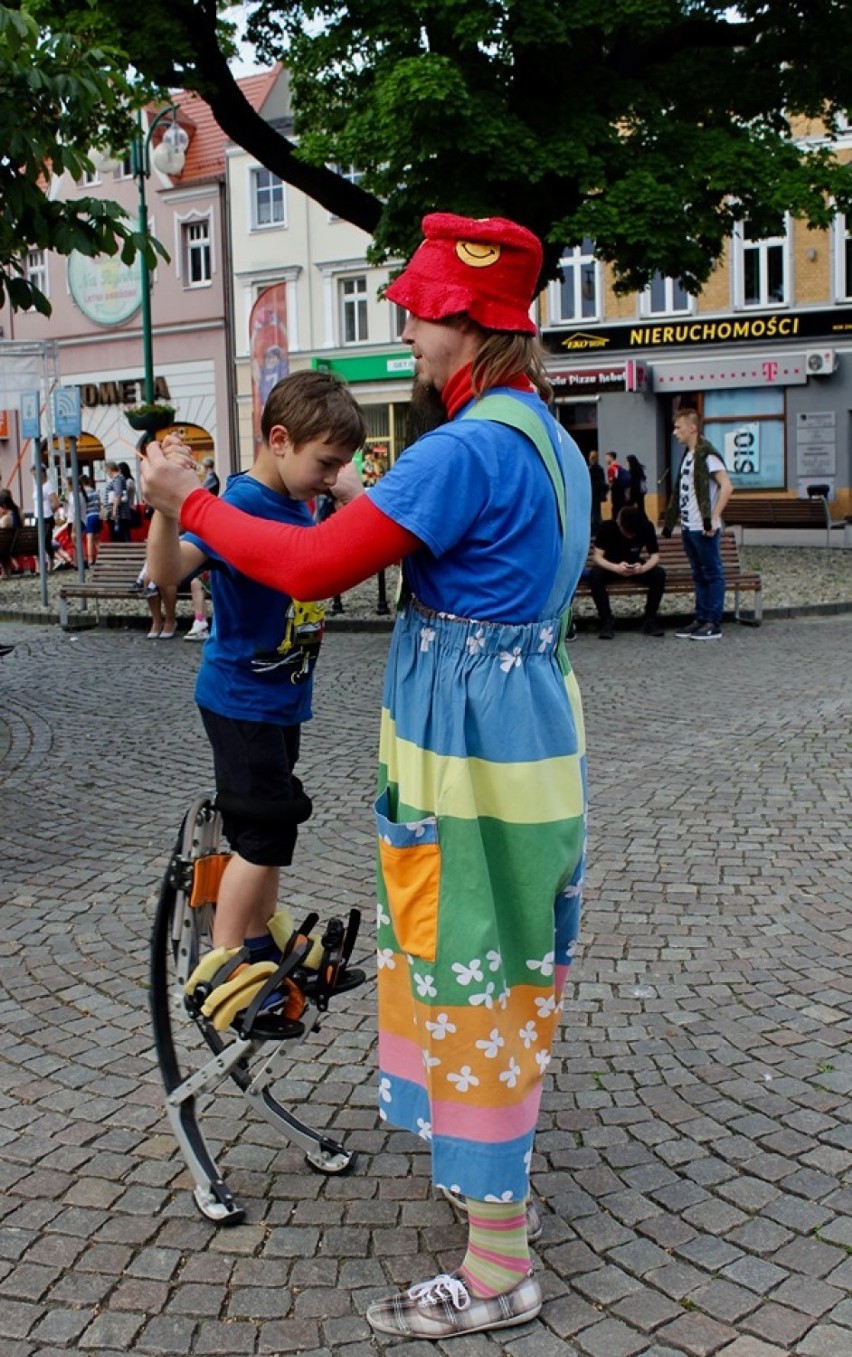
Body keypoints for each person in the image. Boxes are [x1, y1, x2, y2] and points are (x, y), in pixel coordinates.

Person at [142, 212, 590, 1342]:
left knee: (472, 960)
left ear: (464, 323)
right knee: (500, 954)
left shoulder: (470, 446)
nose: (404, 326)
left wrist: (185, 499)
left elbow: (304, 561)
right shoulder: (542, 435)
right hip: (523, 738)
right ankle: (480, 1182)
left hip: (471, 757)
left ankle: (499, 1266)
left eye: (418, 311)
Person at [145, 368, 367, 1030]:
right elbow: (162, 579)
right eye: (325, 462)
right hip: (240, 699)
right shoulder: (237, 506)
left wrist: (350, 493)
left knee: (265, 831)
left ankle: (265, 946)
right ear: (279, 438)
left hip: (280, 700)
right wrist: (169, 507)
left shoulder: (303, 501)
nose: (332, 477)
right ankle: (226, 970)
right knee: (263, 830)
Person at [663, 408, 733, 641]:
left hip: (704, 527)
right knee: (699, 573)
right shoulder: (689, 455)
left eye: (678, 427)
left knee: (712, 572)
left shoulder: (707, 454)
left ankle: (713, 621)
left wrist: (713, 517)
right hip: (689, 526)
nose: (675, 432)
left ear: (692, 428)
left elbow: (727, 486)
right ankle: (701, 618)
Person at [590, 505, 666, 638]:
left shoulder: (646, 526)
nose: (630, 536)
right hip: (612, 566)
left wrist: (643, 568)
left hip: (635, 565)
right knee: (595, 575)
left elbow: (655, 556)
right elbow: (597, 557)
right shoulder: (607, 528)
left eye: (633, 534)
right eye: (627, 532)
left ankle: (650, 619)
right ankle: (606, 620)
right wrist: (615, 567)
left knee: (659, 574)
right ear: (619, 524)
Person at [104, 461, 131, 542]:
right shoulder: (120, 478)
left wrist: (114, 512)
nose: (107, 473)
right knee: (122, 535)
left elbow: (118, 494)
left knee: (119, 537)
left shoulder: (117, 479)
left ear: (110, 470)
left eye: (106, 471)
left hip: (119, 514)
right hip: (121, 513)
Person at [80, 475, 102, 567]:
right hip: (98, 515)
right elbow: (100, 503)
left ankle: (90, 559)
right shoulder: (95, 491)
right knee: (97, 539)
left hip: (90, 516)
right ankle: (103, 557)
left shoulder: (84, 492)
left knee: (89, 538)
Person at [587, 449, 607, 533]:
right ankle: (597, 525)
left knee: (593, 511)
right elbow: (602, 481)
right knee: (597, 511)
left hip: (591, 492)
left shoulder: (589, 469)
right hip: (597, 492)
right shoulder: (600, 469)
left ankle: (593, 527)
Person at [605, 450, 629, 518]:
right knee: (621, 508)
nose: (606, 459)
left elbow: (611, 482)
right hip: (622, 491)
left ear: (611, 457)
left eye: (607, 457)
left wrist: (606, 491)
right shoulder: (619, 467)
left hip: (616, 492)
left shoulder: (611, 468)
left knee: (615, 508)